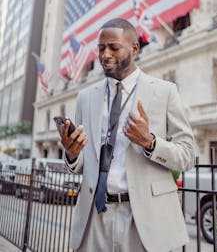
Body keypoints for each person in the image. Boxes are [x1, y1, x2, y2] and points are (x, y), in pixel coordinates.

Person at [56, 18, 195, 252]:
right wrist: (71, 153)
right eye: (101, 48)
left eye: (113, 47)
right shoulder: (85, 98)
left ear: (134, 48)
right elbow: (79, 165)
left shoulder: (165, 91)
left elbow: (188, 156)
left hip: (143, 221)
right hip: (94, 218)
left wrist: (149, 142)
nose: (105, 55)